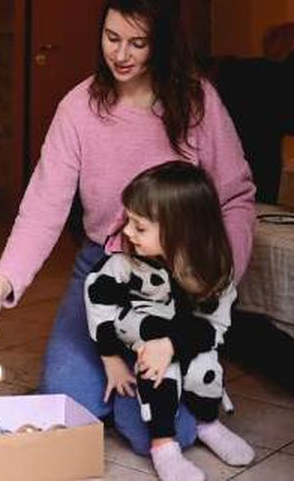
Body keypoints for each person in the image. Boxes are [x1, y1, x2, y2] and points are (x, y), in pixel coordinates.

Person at [0, 0, 257, 455]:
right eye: (112, 38)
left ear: (161, 44)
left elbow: (236, 198)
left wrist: (213, 277)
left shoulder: (198, 101)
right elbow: (42, 208)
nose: (121, 55)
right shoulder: (78, 109)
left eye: (137, 43)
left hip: (178, 281)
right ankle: (125, 379)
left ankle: (165, 388)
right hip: (105, 269)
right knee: (67, 403)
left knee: (162, 431)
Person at [85, 161, 254, 481]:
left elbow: (212, 329)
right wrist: (111, 360)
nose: (127, 231)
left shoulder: (213, 267)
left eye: (140, 226)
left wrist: (172, 345)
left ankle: (209, 424)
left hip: (184, 335)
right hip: (137, 326)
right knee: (156, 366)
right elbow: (99, 305)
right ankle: (163, 446)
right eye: (128, 221)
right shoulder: (123, 261)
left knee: (205, 364)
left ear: (180, 231)